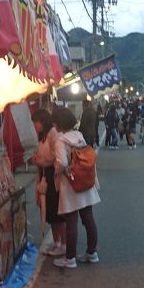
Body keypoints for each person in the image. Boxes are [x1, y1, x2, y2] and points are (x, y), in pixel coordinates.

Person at [52, 107, 101, 269]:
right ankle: (92, 253)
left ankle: (70, 258)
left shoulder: (61, 140)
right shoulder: (78, 135)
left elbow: (63, 162)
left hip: (71, 185)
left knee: (71, 221)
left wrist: (58, 170)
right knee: (88, 217)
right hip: (85, 182)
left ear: (59, 123)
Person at [31, 109, 66, 256]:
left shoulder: (53, 133)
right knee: (50, 212)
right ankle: (56, 242)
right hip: (45, 175)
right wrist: (37, 159)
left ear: (43, 121)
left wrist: (44, 162)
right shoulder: (43, 135)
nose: (35, 126)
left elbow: (57, 156)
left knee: (58, 212)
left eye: (36, 122)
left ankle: (63, 244)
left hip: (54, 176)